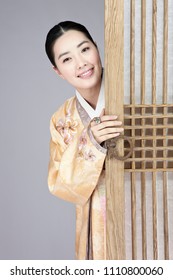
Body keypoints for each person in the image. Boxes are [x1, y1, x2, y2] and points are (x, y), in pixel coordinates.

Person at [45, 21, 123, 260]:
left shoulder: (135, 93)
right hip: (96, 224)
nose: (81, 63)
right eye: (67, 59)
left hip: (148, 208)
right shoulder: (63, 119)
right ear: (58, 70)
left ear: (97, 48)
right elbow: (60, 184)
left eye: (85, 49)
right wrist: (90, 141)